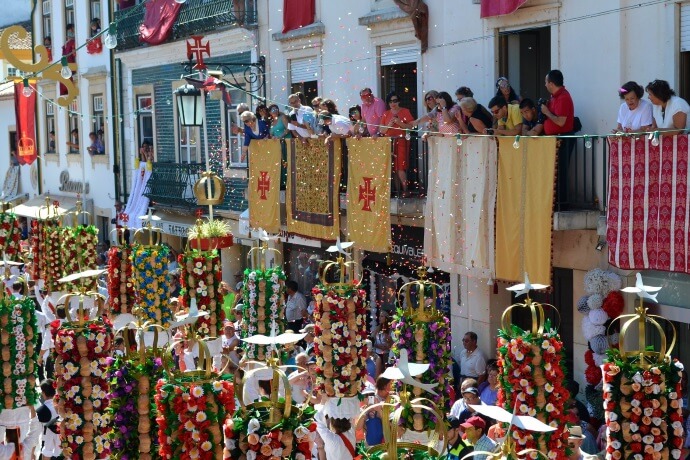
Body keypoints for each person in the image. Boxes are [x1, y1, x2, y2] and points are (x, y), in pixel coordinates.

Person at [380, 92, 414, 193]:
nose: (393, 103)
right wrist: (389, 125)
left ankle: (405, 191)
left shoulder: (405, 111)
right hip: (389, 143)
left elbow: (411, 127)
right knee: (392, 168)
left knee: (400, 168)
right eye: (390, 101)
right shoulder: (386, 113)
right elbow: (381, 130)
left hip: (401, 142)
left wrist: (399, 123)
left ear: (398, 101)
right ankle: (397, 191)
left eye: (395, 101)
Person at [541, 69, 575, 135]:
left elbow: (560, 122)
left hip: (562, 140)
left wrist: (547, 112)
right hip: (555, 138)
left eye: (546, 82)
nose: (545, 85)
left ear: (551, 84)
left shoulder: (563, 97)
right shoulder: (554, 96)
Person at [37, 379, 61, 460]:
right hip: (63, 450)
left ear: (43, 393)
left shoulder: (41, 411)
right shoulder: (62, 407)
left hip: (47, 450)